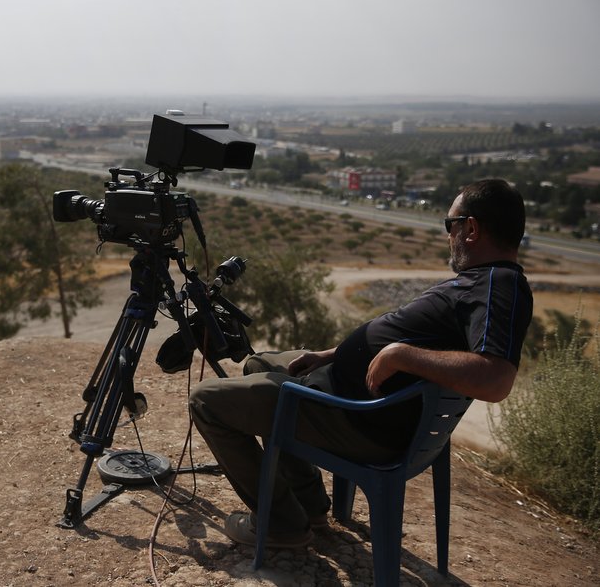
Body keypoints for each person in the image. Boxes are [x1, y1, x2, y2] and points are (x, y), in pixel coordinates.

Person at [188, 178, 533, 549]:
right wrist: (330, 354)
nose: (448, 235)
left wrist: (403, 354)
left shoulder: (500, 286)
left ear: (471, 228)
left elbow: (496, 379)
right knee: (260, 363)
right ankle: (311, 505)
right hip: (353, 400)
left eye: (450, 225)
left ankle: (281, 525)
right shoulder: (482, 281)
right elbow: (407, 337)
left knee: (206, 401)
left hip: (358, 416)